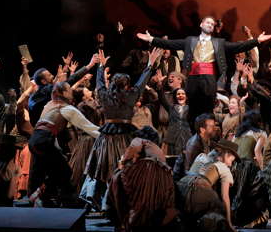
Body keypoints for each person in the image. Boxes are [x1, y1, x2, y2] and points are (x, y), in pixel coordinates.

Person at [137, 16, 271, 123]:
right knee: (193, 113)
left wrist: (257, 41)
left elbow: (238, 47)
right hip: (194, 78)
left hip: (209, 78)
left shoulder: (219, 43)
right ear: (201, 24)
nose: (210, 25)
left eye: (212, 24)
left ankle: (208, 139)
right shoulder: (190, 41)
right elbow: (170, 43)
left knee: (208, 113)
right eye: (207, 22)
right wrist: (151, 39)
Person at [81, 48, 161, 210]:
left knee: (105, 171)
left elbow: (100, 83)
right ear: (126, 85)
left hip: (107, 137)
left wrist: (101, 67)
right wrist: (150, 64)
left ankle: (106, 203)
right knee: (124, 169)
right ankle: (119, 202)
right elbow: (141, 83)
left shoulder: (105, 95)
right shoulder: (131, 95)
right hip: (124, 135)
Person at [28, 81, 100, 207]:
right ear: (63, 93)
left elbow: (48, 127)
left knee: (51, 171)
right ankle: (48, 196)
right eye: (68, 90)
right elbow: (89, 128)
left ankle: (44, 197)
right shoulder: (67, 109)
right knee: (65, 171)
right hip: (43, 141)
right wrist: (108, 134)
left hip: (35, 140)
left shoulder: (49, 104)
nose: (71, 91)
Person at [108, 126, 179, 231]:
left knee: (116, 178)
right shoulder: (157, 152)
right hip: (160, 217)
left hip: (144, 173)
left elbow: (131, 150)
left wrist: (122, 163)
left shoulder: (140, 141)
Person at [177, 139, 241, 232]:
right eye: (232, 160)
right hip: (198, 190)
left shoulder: (201, 156)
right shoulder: (224, 168)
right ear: (227, 154)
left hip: (181, 185)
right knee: (219, 208)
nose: (231, 165)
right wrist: (229, 223)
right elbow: (225, 197)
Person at [28, 52, 100, 126]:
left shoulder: (41, 92)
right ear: (43, 81)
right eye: (49, 75)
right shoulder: (46, 90)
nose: (52, 75)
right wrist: (89, 65)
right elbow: (70, 80)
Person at [173, 113, 217, 181]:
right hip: (191, 182)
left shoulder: (208, 140)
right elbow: (190, 172)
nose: (215, 128)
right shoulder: (194, 146)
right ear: (202, 130)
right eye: (211, 126)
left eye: (214, 125)